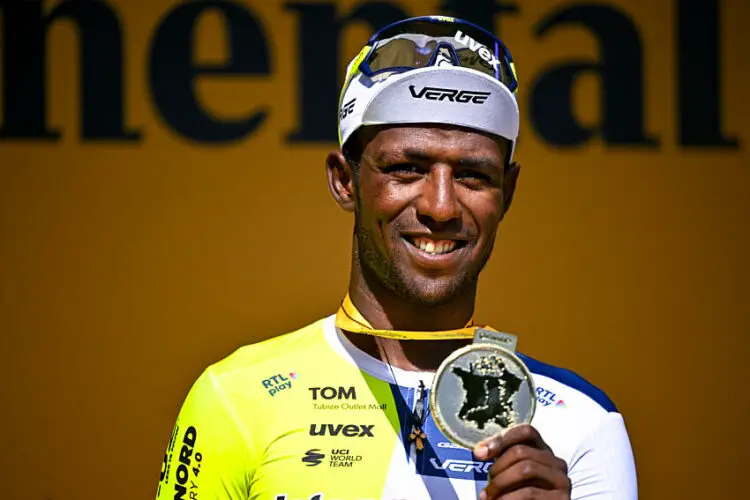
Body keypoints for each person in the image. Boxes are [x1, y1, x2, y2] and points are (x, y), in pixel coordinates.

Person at [155, 15, 637, 500]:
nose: (441, 206)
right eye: (406, 169)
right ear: (345, 180)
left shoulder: (583, 422)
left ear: (506, 194)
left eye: (473, 175)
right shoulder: (237, 397)